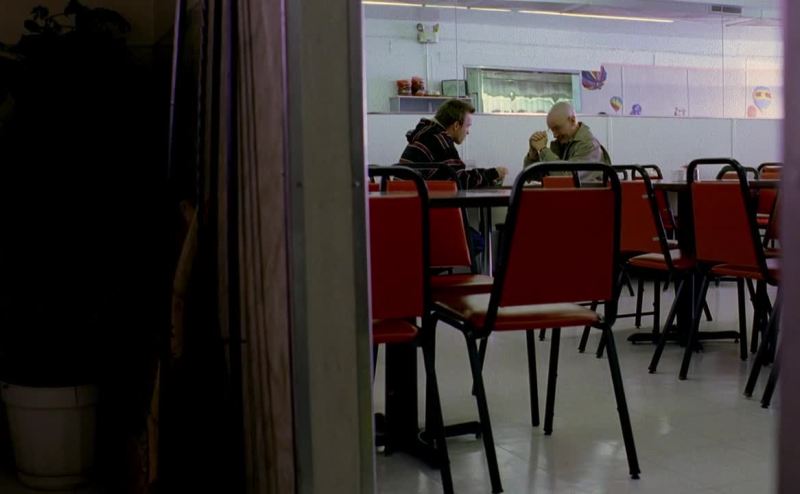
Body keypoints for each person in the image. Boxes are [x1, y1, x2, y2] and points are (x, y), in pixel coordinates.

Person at [400, 98, 508, 188]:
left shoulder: (426, 135)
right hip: (421, 205)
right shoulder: (440, 141)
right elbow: (460, 181)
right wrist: (493, 174)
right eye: (467, 126)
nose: (468, 132)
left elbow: (454, 176)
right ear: (456, 126)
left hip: (405, 201)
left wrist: (486, 174)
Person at [523, 101, 611, 169]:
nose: (554, 135)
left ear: (572, 120)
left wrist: (543, 149)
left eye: (557, 128)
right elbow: (534, 176)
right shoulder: (563, 144)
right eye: (552, 130)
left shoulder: (589, 145)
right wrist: (533, 154)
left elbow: (567, 177)